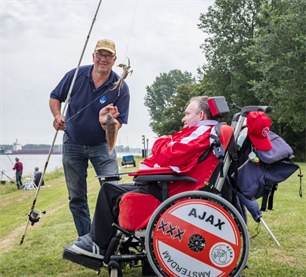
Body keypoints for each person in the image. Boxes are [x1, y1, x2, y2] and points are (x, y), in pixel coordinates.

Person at [71, 96, 219, 259]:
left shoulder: (201, 133)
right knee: (113, 189)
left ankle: (98, 244)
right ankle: (101, 240)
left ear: (201, 116)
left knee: (109, 189)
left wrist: (161, 140)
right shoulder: (204, 133)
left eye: (187, 113)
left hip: (169, 190)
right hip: (171, 185)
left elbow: (168, 155)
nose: (183, 118)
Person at [49, 39, 130, 237]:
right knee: (76, 196)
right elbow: (54, 96)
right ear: (93, 56)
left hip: (103, 146)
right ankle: (86, 239)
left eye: (108, 55)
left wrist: (106, 121)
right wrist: (57, 116)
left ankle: (109, 240)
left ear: (115, 59)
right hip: (72, 143)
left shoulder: (121, 87)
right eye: (100, 54)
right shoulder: (75, 75)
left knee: (113, 192)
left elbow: (118, 124)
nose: (103, 59)